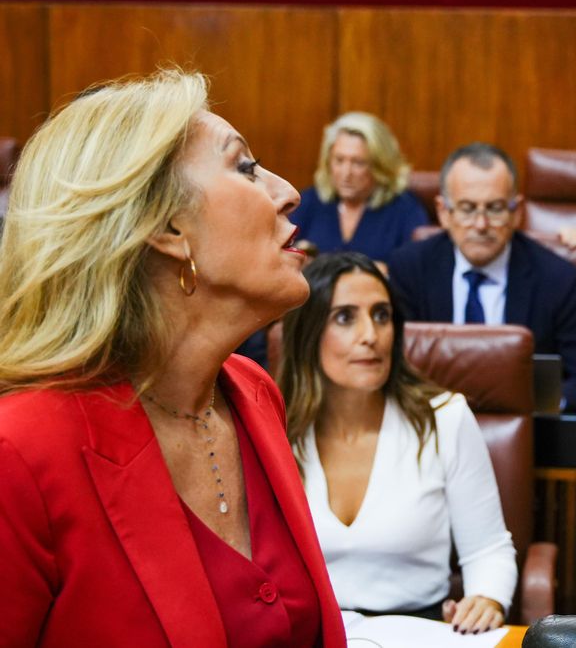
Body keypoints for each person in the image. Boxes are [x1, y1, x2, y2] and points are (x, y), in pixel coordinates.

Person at [0, 70, 345, 646]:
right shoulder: (21, 453)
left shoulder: (253, 392)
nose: (288, 190)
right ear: (165, 227)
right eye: (244, 167)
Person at [279, 252, 516, 633]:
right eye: (345, 317)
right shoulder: (274, 426)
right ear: (308, 332)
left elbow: (488, 549)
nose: (370, 336)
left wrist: (487, 599)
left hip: (418, 630)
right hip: (311, 632)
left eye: (381, 315)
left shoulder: (444, 418)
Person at [386, 142, 576, 413]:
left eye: (495, 208)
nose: (481, 224)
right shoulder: (410, 268)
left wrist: (545, 400)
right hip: (429, 429)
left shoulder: (555, 278)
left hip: (525, 435)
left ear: (517, 212)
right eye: (467, 208)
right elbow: (390, 365)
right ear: (443, 212)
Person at [292, 111, 429, 261]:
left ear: (380, 167)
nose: (346, 173)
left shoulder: (405, 209)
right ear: (328, 161)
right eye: (339, 160)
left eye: (358, 163)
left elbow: (415, 270)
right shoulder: (309, 202)